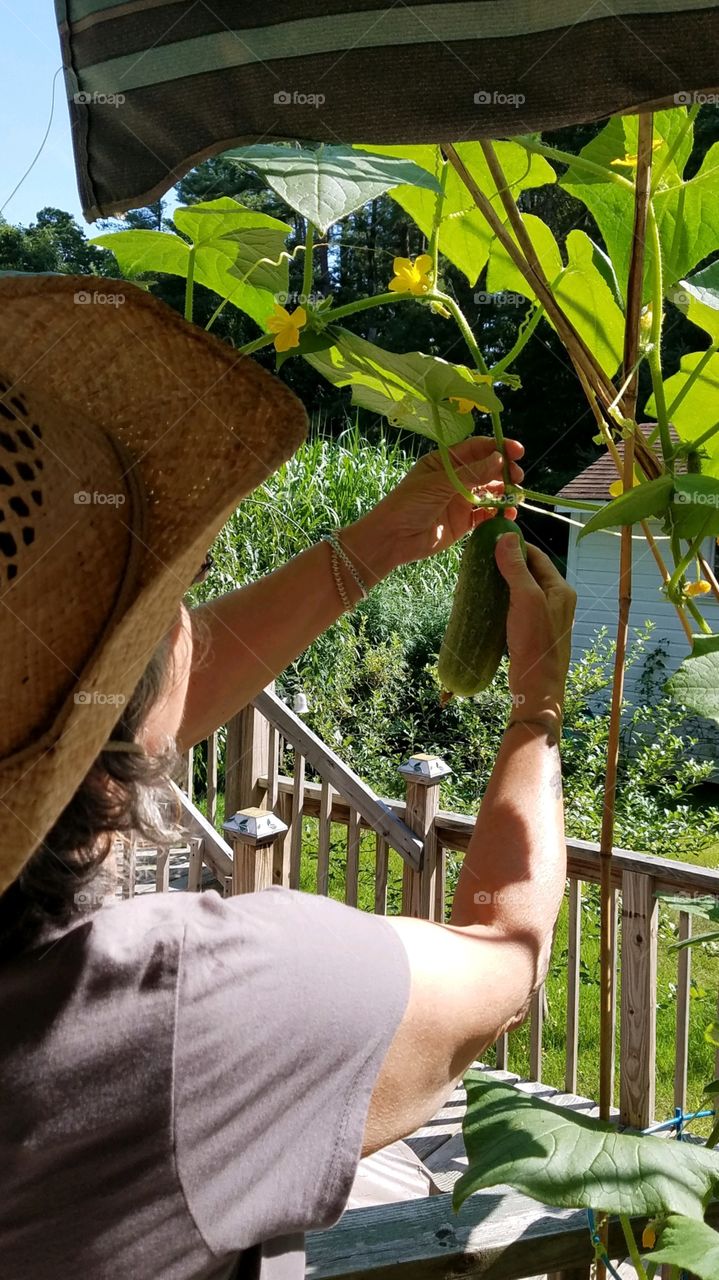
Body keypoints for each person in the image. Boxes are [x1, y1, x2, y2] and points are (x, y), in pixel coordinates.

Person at [0, 274, 576, 1279]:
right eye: (168, 590)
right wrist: (538, 705)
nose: (186, 614)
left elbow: (103, 722)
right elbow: (505, 953)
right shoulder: (186, 1012)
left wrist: (372, 546)